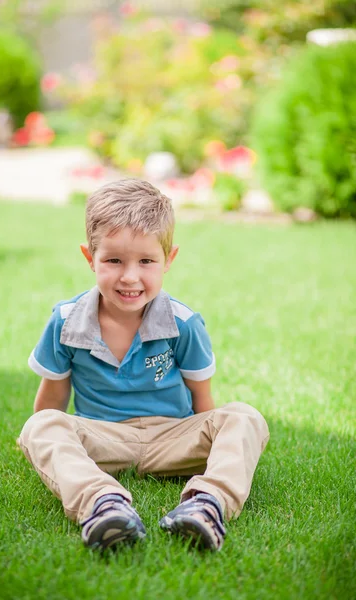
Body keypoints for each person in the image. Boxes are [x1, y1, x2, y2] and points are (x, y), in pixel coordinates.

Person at [18, 178, 269, 552]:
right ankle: (103, 504)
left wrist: (214, 447)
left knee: (244, 417)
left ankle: (208, 504)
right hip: (103, 440)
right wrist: (39, 439)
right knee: (39, 424)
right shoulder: (66, 321)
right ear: (90, 258)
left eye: (146, 261)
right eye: (114, 260)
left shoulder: (183, 323)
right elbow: (51, 398)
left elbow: (203, 399)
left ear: (169, 259)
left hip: (172, 437)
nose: (130, 276)